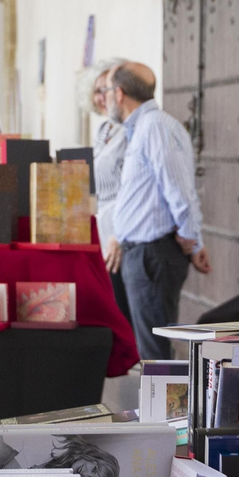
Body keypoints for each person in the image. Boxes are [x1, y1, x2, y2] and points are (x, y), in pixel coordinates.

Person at [108, 61, 210, 359]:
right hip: (144, 253)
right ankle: (159, 405)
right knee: (149, 352)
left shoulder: (155, 128)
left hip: (153, 255)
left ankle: (166, 407)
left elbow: (179, 192)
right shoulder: (146, 127)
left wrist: (192, 240)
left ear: (119, 93)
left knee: (156, 356)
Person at [90, 59, 133, 323]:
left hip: (121, 223)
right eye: (97, 91)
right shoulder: (103, 129)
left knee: (123, 304)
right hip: (101, 224)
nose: (100, 97)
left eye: (105, 89)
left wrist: (118, 234)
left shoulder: (128, 130)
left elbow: (130, 186)